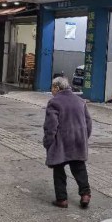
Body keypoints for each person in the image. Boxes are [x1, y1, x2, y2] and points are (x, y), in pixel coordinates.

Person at [43, 76, 93, 208]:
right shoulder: (80, 101)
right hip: (78, 141)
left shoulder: (54, 102)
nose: (51, 90)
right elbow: (88, 123)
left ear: (57, 88)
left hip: (61, 143)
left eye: (52, 87)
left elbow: (51, 126)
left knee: (58, 170)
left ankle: (62, 199)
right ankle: (85, 194)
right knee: (79, 168)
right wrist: (84, 137)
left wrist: (48, 143)